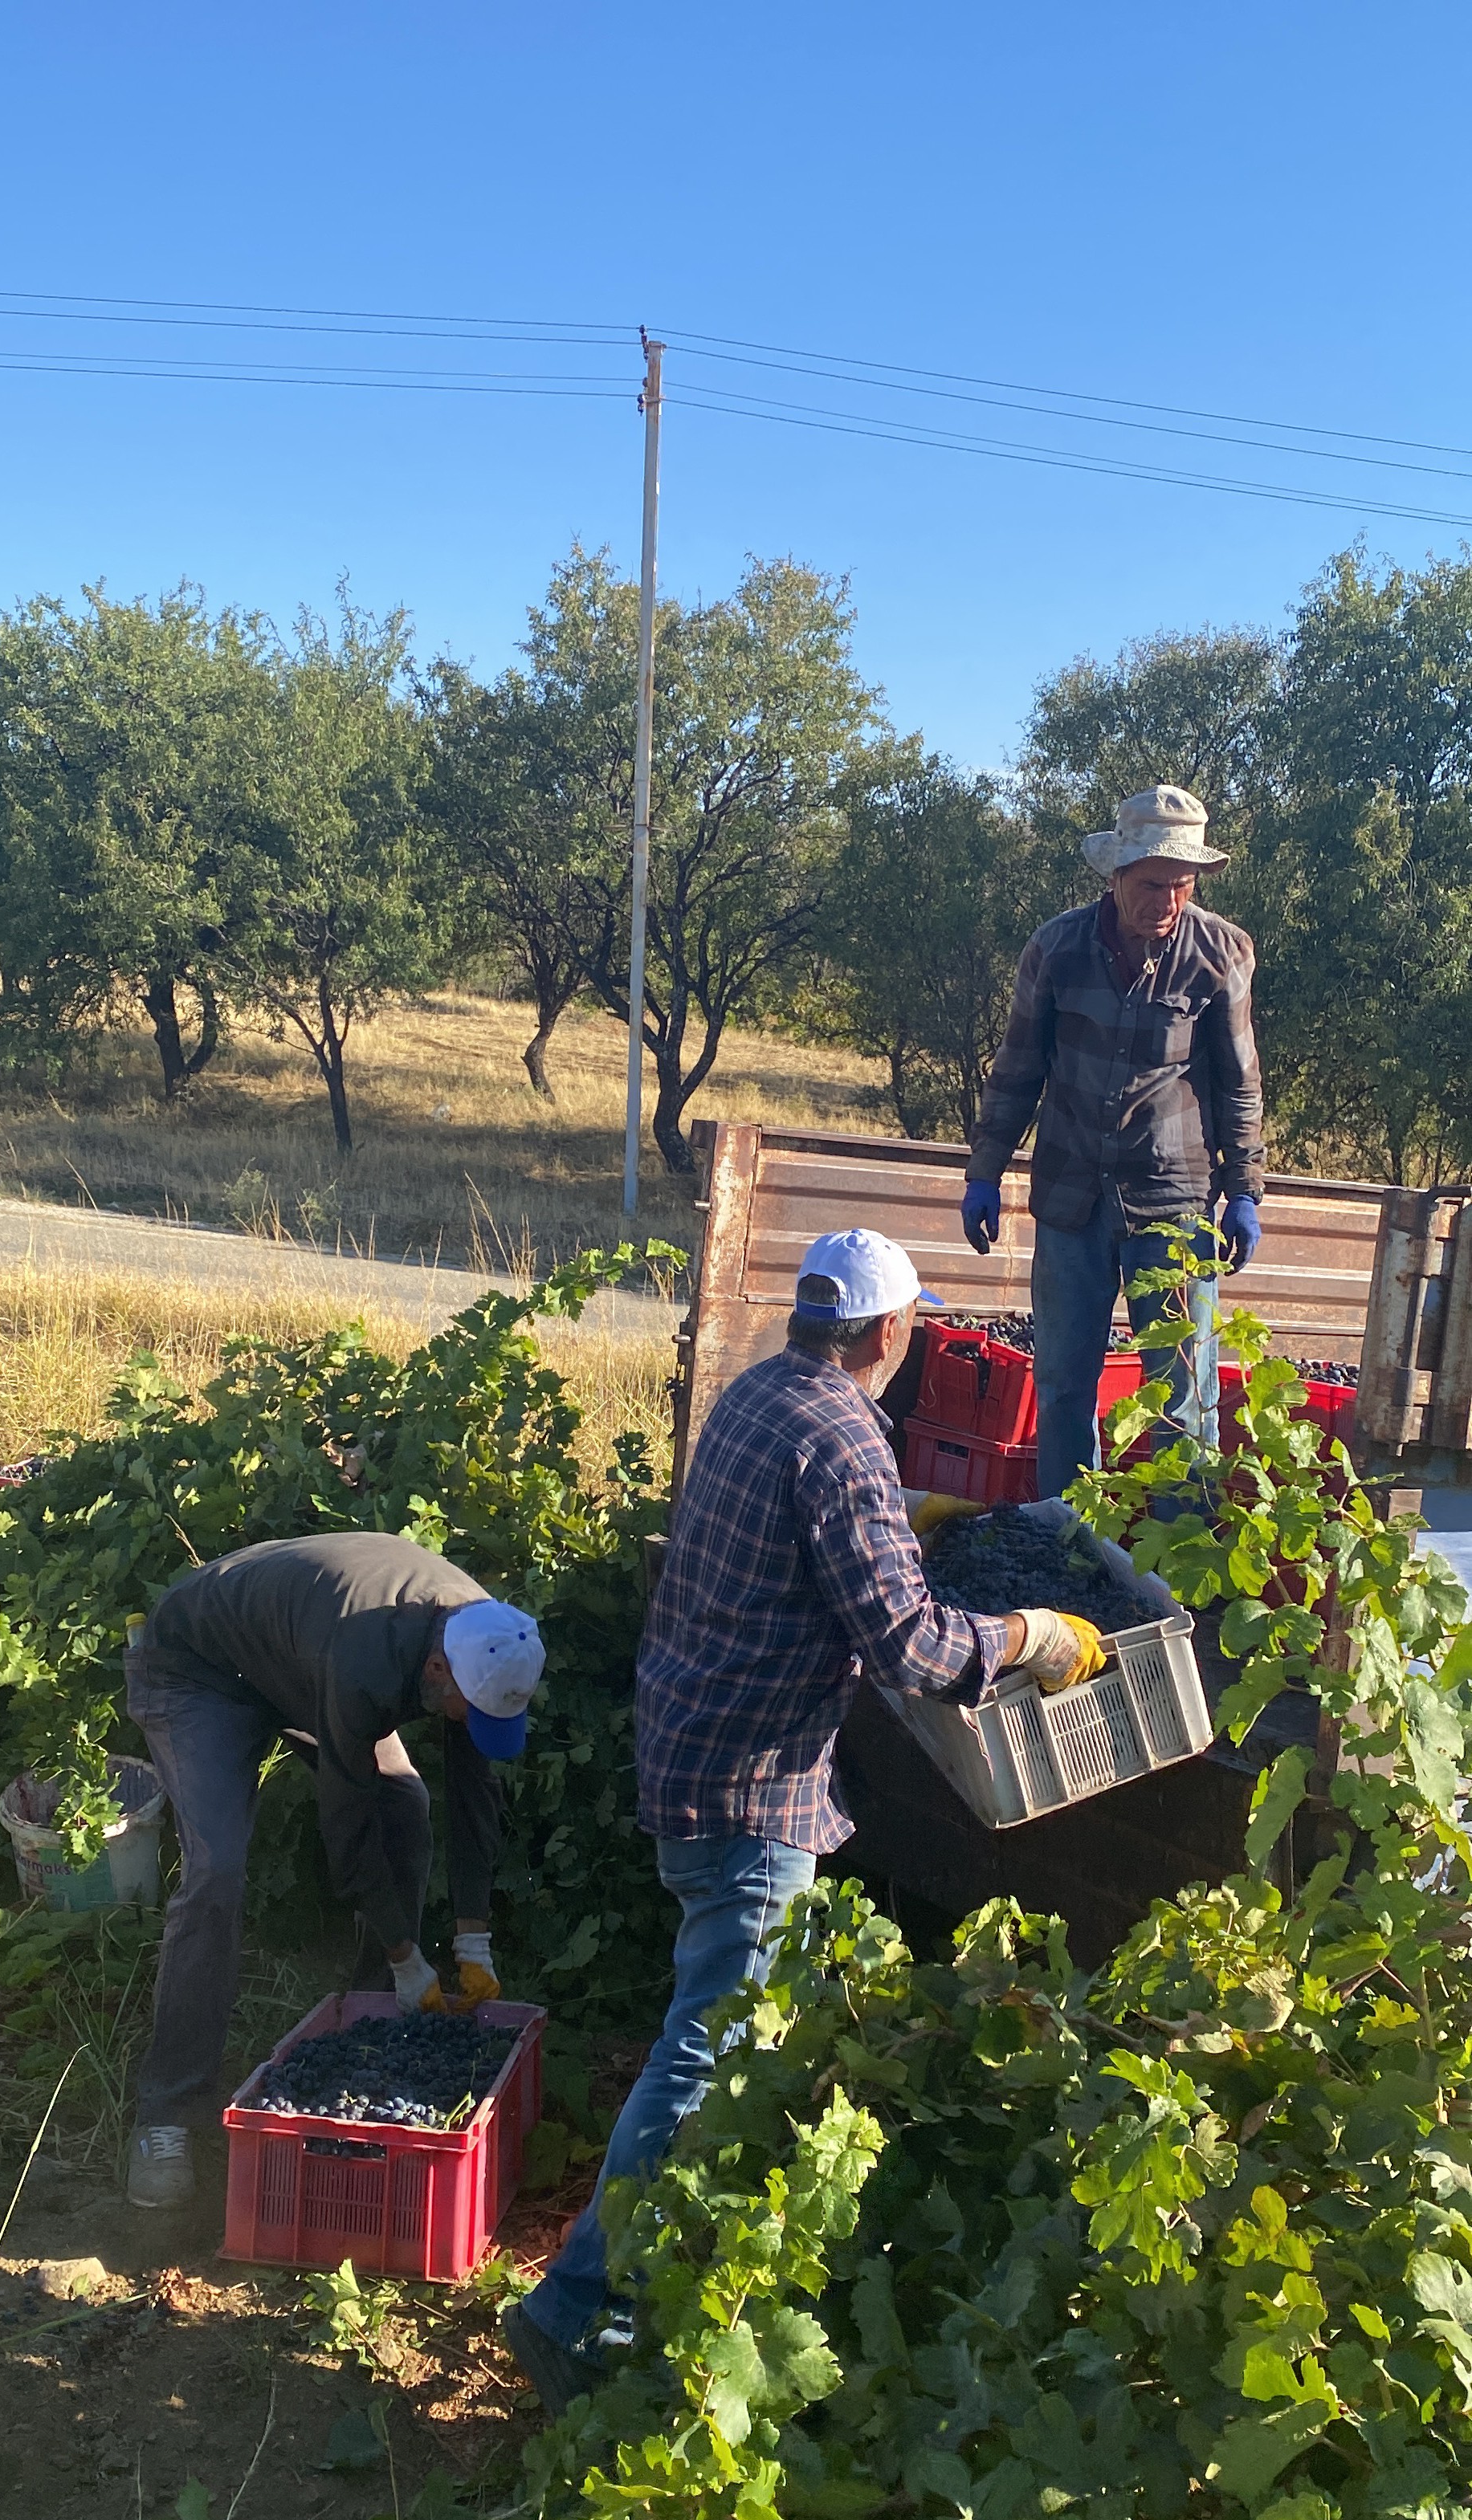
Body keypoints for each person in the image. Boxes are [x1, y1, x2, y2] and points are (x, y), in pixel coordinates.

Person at [503, 1227, 1103, 2413]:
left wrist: (908, 1512)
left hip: (690, 1747)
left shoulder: (763, 1396)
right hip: (751, 1787)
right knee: (706, 2046)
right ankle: (575, 2311)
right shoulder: (839, 1436)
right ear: (892, 1333)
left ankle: (658, 2278)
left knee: (722, 2029)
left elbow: (823, 1542)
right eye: (913, 1328)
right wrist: (1033, 1635)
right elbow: (913, 1646)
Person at [122, 1531, 544, 2208]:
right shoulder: (364, 1667)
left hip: (291, 1658)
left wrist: (473, 1935)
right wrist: (409, 1953)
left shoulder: (485, 1638)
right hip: (196, 1667)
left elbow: (476, 1796)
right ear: (437, 1670)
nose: (472, 1723)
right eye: (469, 1710)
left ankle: (372, 2026)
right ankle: (166, 2111)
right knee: (217, 1872)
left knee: (406, 1805)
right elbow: (345, 1825)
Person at [960, 783, 1266, 1499]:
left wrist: (1245, 1191)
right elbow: (1016, 1070)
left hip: (1174, 1200)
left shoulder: (1219, 955)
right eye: (1154, 883)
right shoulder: (1057, 948)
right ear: (1117, 875)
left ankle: (1179, 1556)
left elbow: (1240, 1084)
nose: (1167, 901)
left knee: (1179, 1393)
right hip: (1070, 1199)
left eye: (1181, 885)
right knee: (1064, 1381)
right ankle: (1073, 1540)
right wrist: (984, 1170)